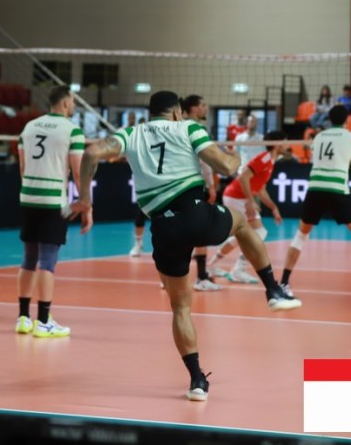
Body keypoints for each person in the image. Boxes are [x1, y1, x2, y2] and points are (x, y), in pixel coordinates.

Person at [73, 90, 299, 402]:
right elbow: (224, 166)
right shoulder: (188, 128)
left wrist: (85, 199)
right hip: (195, 214)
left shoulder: (130, 133)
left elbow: (91, 153)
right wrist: (236, 158)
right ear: (178, 112)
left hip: (164, 228)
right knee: (242, 224)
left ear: (150, 113)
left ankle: (196, 381)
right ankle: (273, 290)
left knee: (180, 308)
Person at [280, 104, 351, 303]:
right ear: (347, 119)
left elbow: (317, 160)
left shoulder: (319, 137)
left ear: (329, 119)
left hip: (315, 188)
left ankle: (283, 284)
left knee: (301, 235)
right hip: (337, 189)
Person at [15, 85, 91, 338]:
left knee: (29, 258)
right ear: (66, 103)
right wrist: (86, 205)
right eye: (73, 101)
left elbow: (23, 168)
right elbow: (79, 172)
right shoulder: (72, 130)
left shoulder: (28, 127)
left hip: (28, 196)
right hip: (52, 201)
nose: (74, 106)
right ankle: (44, 321)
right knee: (47, 261)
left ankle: (23, 318)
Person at [208, 130, 288, 283]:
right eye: (285, 142)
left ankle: (211, 265)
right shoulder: (265, 158)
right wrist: (251, 201)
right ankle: (238, 269)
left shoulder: (270, 161)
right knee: (259, 232)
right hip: (236, 197)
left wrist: (273, 207)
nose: (287, 145)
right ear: (277, 144)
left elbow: (261, 189)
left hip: (238, 197)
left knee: (243, 235)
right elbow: (243, 178)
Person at [180, 94, 224, 291]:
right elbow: (205, 161)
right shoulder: (196, 129)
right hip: (195, 185)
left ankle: (171, 276)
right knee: (200, 231)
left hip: (178, 185)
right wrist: (211, 185)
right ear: (193, 108)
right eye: (203, 105)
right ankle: (201, 277)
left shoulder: (177, 127)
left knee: (180, 231)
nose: (206, 108)